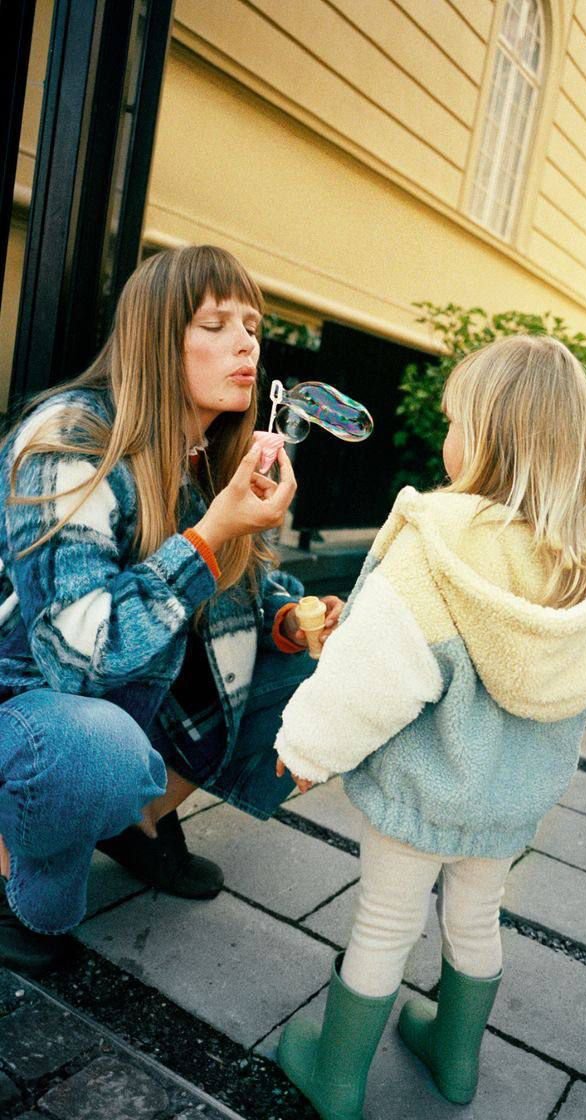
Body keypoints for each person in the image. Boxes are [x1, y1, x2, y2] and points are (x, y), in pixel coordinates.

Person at [273, 334, 586, 1120]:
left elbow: (376, 677)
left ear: (484, 435)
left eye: (454, 419)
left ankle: (337, 1077)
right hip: (507, 805)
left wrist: (307, 748)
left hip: (423, 791)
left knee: (385, 921)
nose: (447, 437)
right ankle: (456, 1059)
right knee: (477, 917)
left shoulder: (437, 544)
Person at [0, 244, 342, 975]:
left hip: (127, 692)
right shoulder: (71, 438)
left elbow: (241, 583)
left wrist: (289, 619)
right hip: (27, 702)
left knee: (330, 673)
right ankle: (19, 874)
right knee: (99, 752)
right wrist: (213, 533)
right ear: (158, 338)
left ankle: (137, 819)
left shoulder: (209, 451)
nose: (246, 342)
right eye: (216, 324)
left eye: (251, 324)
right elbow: (76, 657)